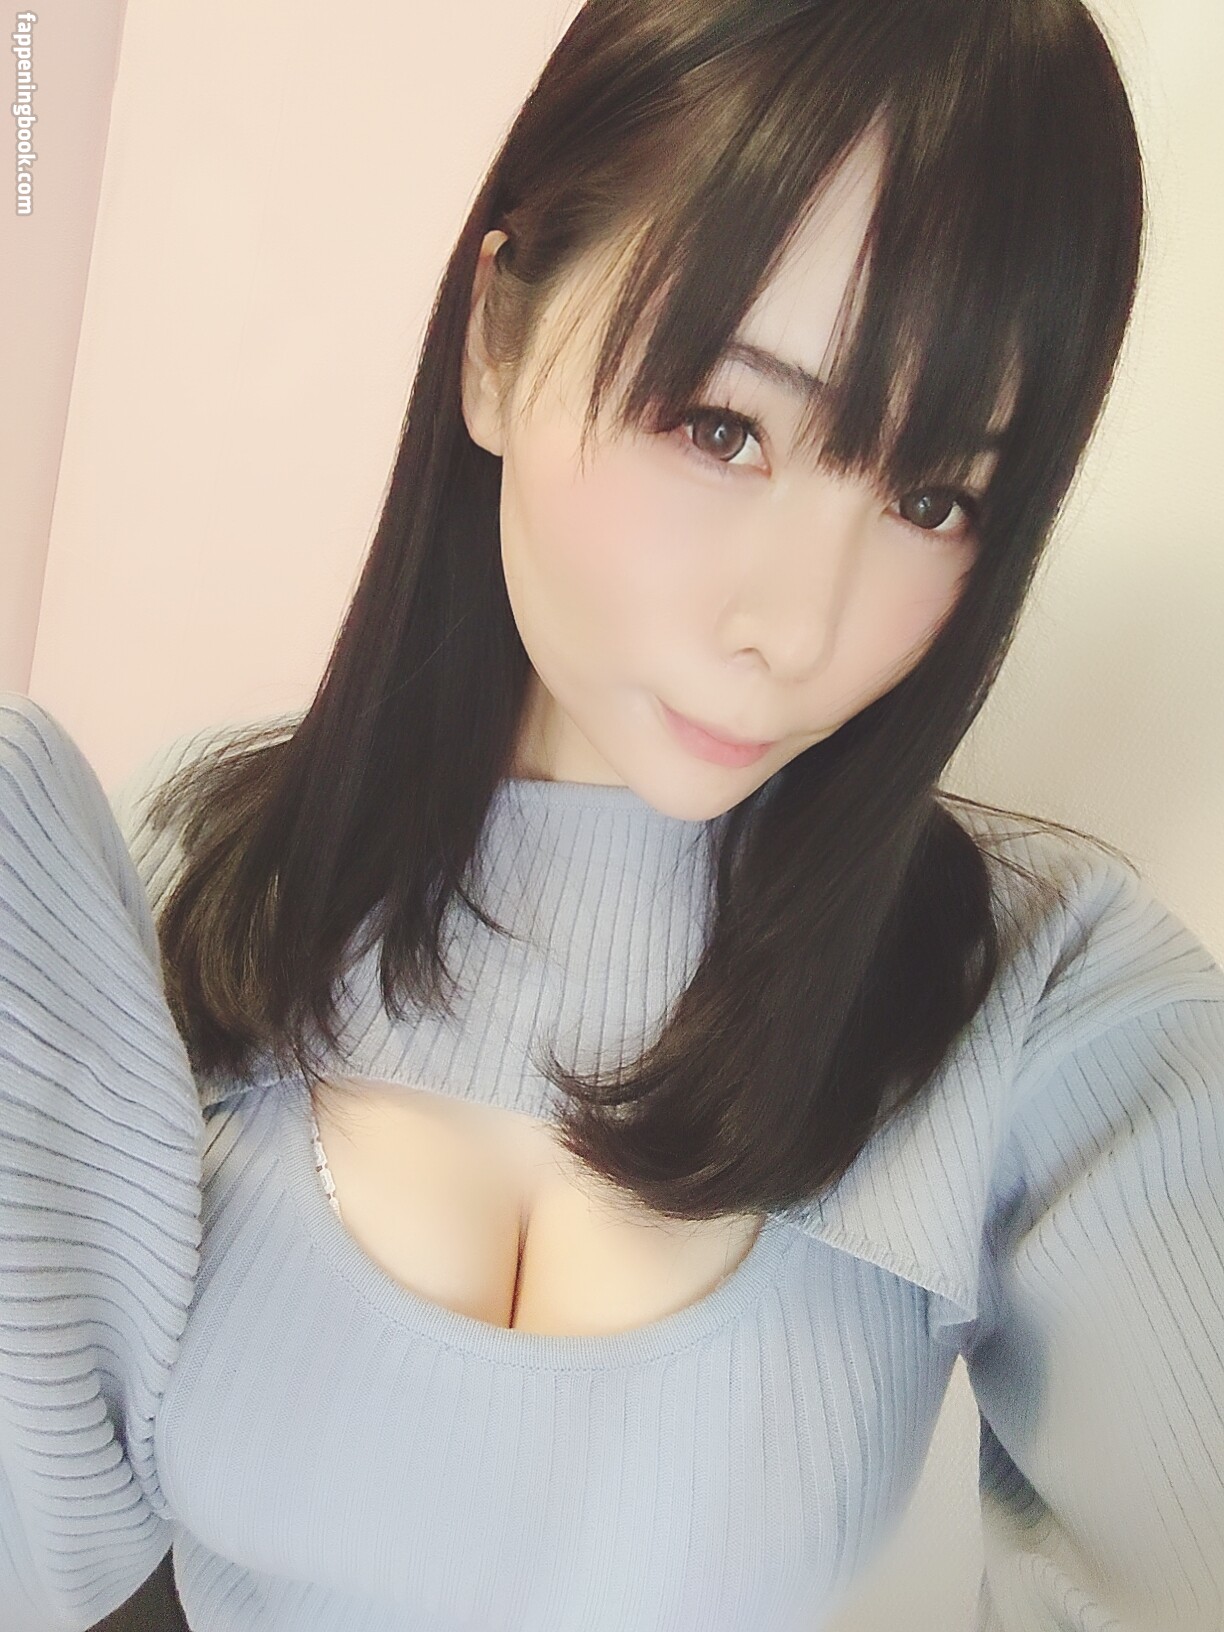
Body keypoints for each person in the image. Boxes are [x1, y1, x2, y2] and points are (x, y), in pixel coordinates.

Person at [1, 1, 1222, 1629]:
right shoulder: (190, 865)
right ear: (496, 343)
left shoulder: (1050, 1000)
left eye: (933, 498)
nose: (799, 625)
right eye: (723, 427)